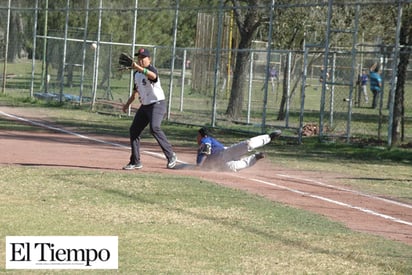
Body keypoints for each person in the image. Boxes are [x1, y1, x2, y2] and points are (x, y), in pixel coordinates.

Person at [122, 48, 177, 170]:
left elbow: (153, 76)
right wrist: (127, 105)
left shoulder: (151, 69)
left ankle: (171, 155)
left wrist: (138, 67)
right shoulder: (136, 74)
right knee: (134, 130)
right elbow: (135, 93)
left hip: (157, 104)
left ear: (149, 59)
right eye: (139, 58)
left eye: (143, 58)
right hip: (145, 106)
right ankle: (135, 161)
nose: (140, 60)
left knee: (154, 128)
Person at [196, 128, 282, 172]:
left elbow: (206, 147)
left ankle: (269, 137)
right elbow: (202, 166)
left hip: (225, 154)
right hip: (224, 165)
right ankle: (256, 157)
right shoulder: (200, 151)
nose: (197, 138)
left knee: (247, 145)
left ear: (203, 136)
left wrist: (199, 165)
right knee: (240, 165)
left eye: (198, 136)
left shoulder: (206, 140)